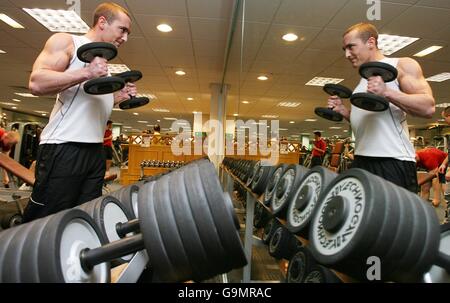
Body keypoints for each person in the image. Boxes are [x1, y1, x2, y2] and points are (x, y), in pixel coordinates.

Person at [22, 2, 136, 223]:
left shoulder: (103, 65)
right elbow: (36, 83)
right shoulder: (68, 42)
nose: (125, 38)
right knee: (48, 218)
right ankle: (20, 256)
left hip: (94, 151)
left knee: (84, 217)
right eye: (122, 30)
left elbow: (87, 104)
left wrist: (116, 98)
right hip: (64, 146)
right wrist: (86, 73)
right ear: (102, 22)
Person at [327, 22, 435, 192]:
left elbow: (428, 107)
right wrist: (345, 112)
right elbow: (369, 121)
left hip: (392, 160)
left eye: (351, 47)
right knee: (363, 216)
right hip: (362, 159)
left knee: (395, 218)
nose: (347, 54)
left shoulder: (400, 65)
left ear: (371, 42)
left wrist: (386, 92)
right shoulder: (365, 78)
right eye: (344, 50)